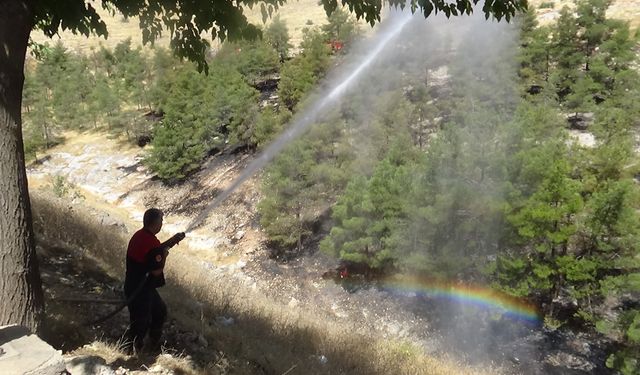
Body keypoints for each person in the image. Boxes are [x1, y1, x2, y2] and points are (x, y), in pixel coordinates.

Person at [124, 208, 185, 354]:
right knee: (141, 321)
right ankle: (132, 352)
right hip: (140, 290)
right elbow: (156, 270)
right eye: (161, 220)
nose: (162, 223)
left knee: (159, 311)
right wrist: (164, 256)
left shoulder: (141, 235)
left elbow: (153, 252)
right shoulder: (150, 242)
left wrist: (172, 241)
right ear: (156, 222)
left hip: (137, 286)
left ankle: (152, 344)